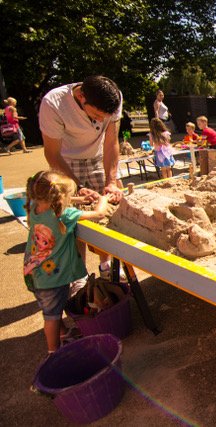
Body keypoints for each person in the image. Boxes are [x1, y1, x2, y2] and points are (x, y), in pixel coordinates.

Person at [39, 75, 124, 281]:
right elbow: (52, 153)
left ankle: (106, 264)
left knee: (106, 214)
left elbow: (111, 141)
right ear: (81, 96)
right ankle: (79, 275)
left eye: (106, 116)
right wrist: (75, 186)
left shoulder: (114, 99)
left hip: (97, 157)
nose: (101, 120)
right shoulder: (54, 103)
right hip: (67, 160)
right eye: (96, 114)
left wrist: (111, 181)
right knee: (74, 223)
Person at [23, 170, 109, 354]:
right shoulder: (64, 215)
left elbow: (52, 200)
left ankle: (62, 333)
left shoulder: (34, 206)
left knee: (51, 308)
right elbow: (99, 214)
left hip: (34, 272)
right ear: (59, 198)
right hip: (52, 279)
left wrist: (79, 200)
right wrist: (102, 199)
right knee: (51, 317)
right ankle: (54, 352)